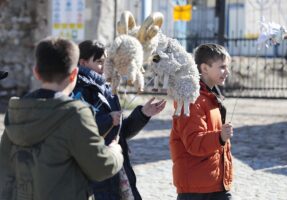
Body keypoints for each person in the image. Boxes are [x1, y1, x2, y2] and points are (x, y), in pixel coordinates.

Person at [0, 37, 124, 200]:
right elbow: (101, 167)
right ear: (74, 74)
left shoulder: (17, 110)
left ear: (36, 72)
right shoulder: (75, 114)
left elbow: (5, 171)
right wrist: (115, 152)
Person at [72, 40, 166, 200]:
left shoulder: (108, 88)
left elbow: (121, 133)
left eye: (106, 61)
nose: (105, 66)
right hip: (97, 171)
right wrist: (108, 120)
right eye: (100, 62)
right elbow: (79, 130)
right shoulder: (78, 90)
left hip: (117, 166)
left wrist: (143, 114)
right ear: (83, 62)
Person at [170, 43, 234, 200]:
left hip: (215, 183)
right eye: (222, 67)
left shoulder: (210, 97)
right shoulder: (192, 99)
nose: (227, 72)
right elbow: (193, 142)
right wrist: (220, 137)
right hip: (196, 189)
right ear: (204, 68)